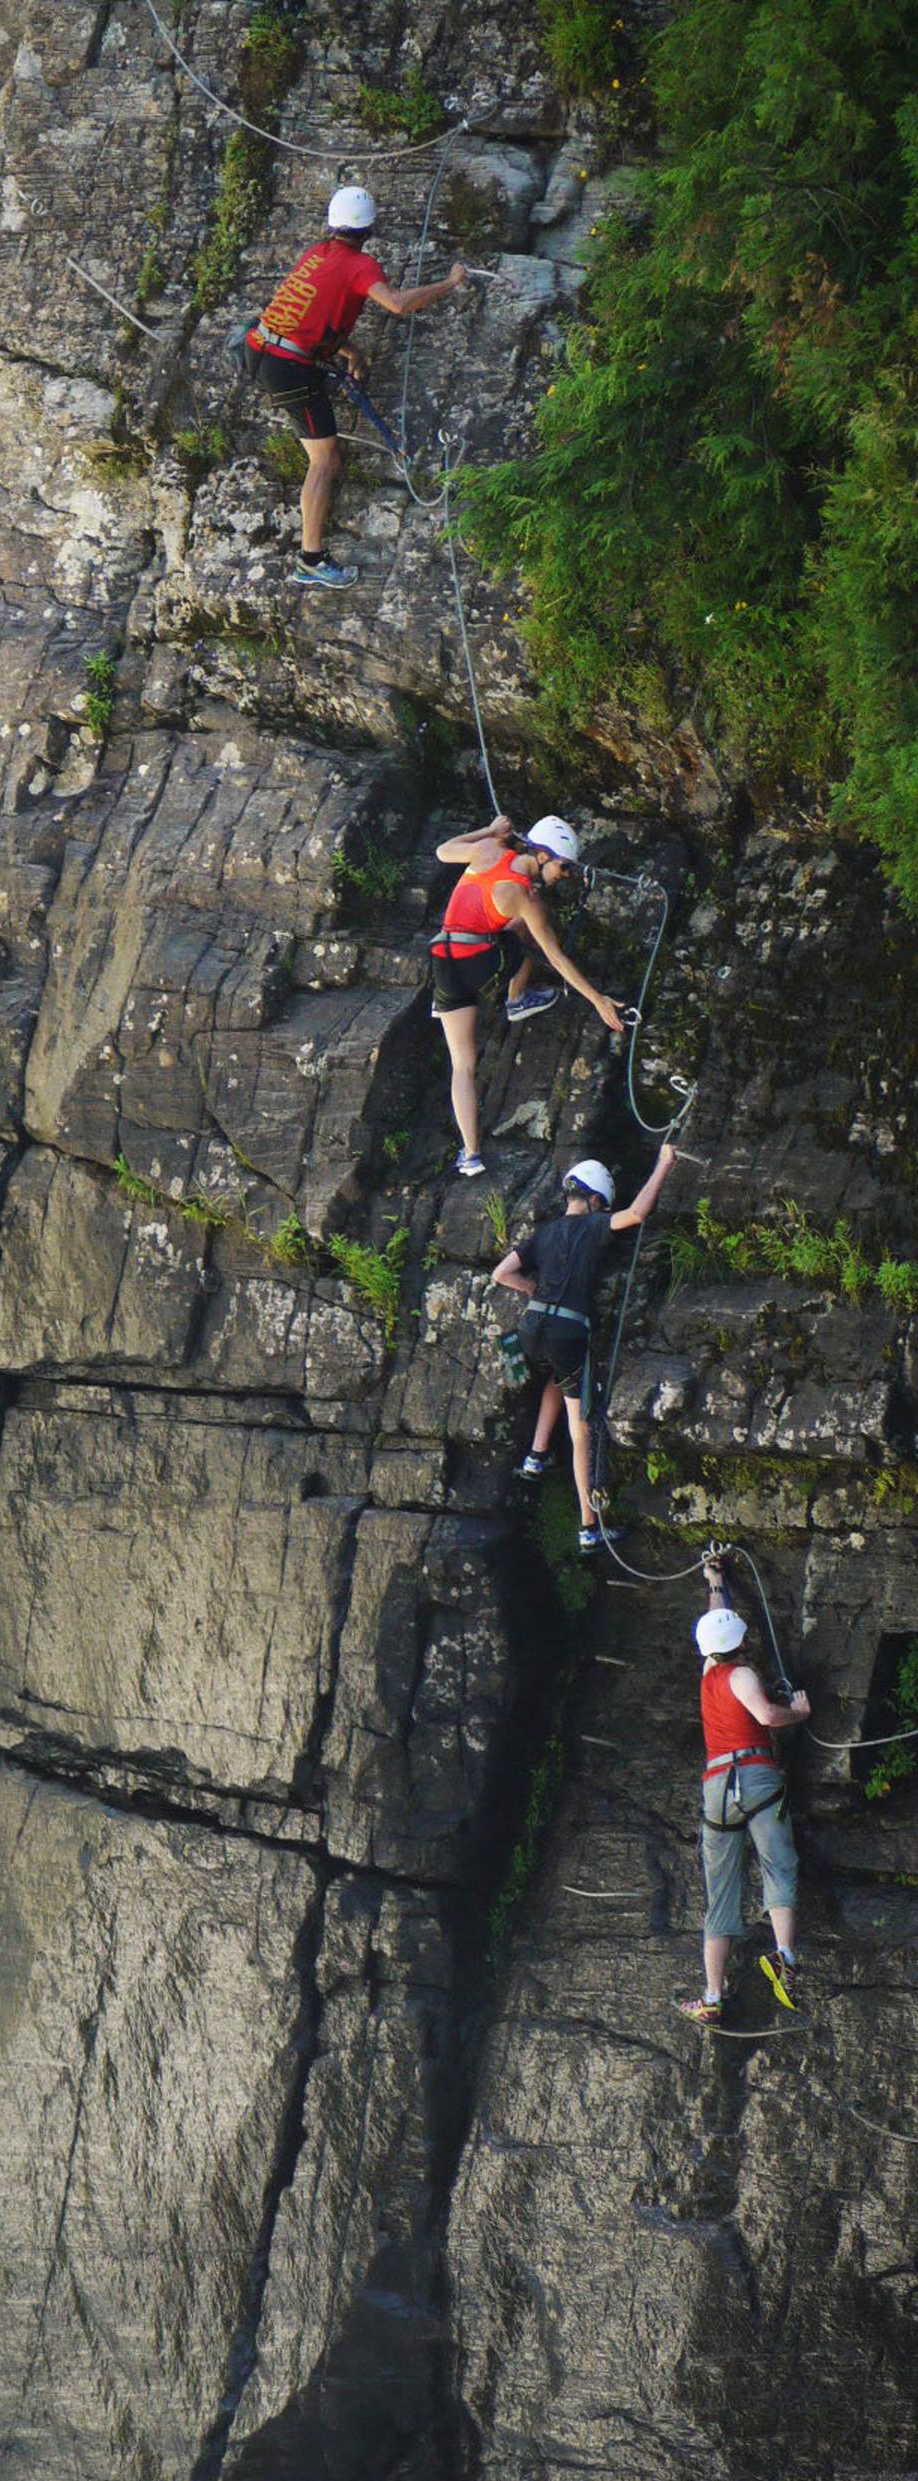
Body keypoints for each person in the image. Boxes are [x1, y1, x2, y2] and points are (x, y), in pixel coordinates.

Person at [238, 185, 471, 589]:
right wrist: (450, 284)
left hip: (263, 350)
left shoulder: (316, 254)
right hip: (288, 367)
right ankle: (311, 559)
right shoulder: (360, 266)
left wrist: (350, 352)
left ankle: (310, 556)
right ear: (369, 229)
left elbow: (308, 315)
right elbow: (397, 303)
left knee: (321, 454)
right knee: (325, 461)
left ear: (332, 223)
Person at [491, 1143, 674, 1551]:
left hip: (528, 1331)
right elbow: (638, 1214)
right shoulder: (595, 1226)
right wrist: (662, 1163)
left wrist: (532, 1287)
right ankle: (589, 1526)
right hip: (568, 1334)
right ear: (594, 1201)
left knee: (554, 1374)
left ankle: (536, 1454)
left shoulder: (545, 1232)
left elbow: (502, 1273)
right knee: (582, 1431)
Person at [429, 811, 624, 1174]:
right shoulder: (526, 896)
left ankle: (470, 1155)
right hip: (479, 961)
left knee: (463, 1065)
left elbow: (443, 851)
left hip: (444, 959)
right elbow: (559, 958)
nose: (565, 876)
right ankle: (516, 1000)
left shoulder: (488, 848)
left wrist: (488, 828)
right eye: (565, 867)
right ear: (545, 855)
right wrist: (598, 1000)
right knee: (526, 944)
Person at [678, 1564, 811, 2026]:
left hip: (716, 1789)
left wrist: (716, 1584)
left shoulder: (708, 1673)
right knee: (779, 1863)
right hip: (755, 1777)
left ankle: (712, 1994)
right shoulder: (742, 1675)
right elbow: (768, 1717)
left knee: (721, 1894)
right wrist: (796, 1712)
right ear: (739, 1642)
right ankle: (785, 1957)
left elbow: (716, 1623)